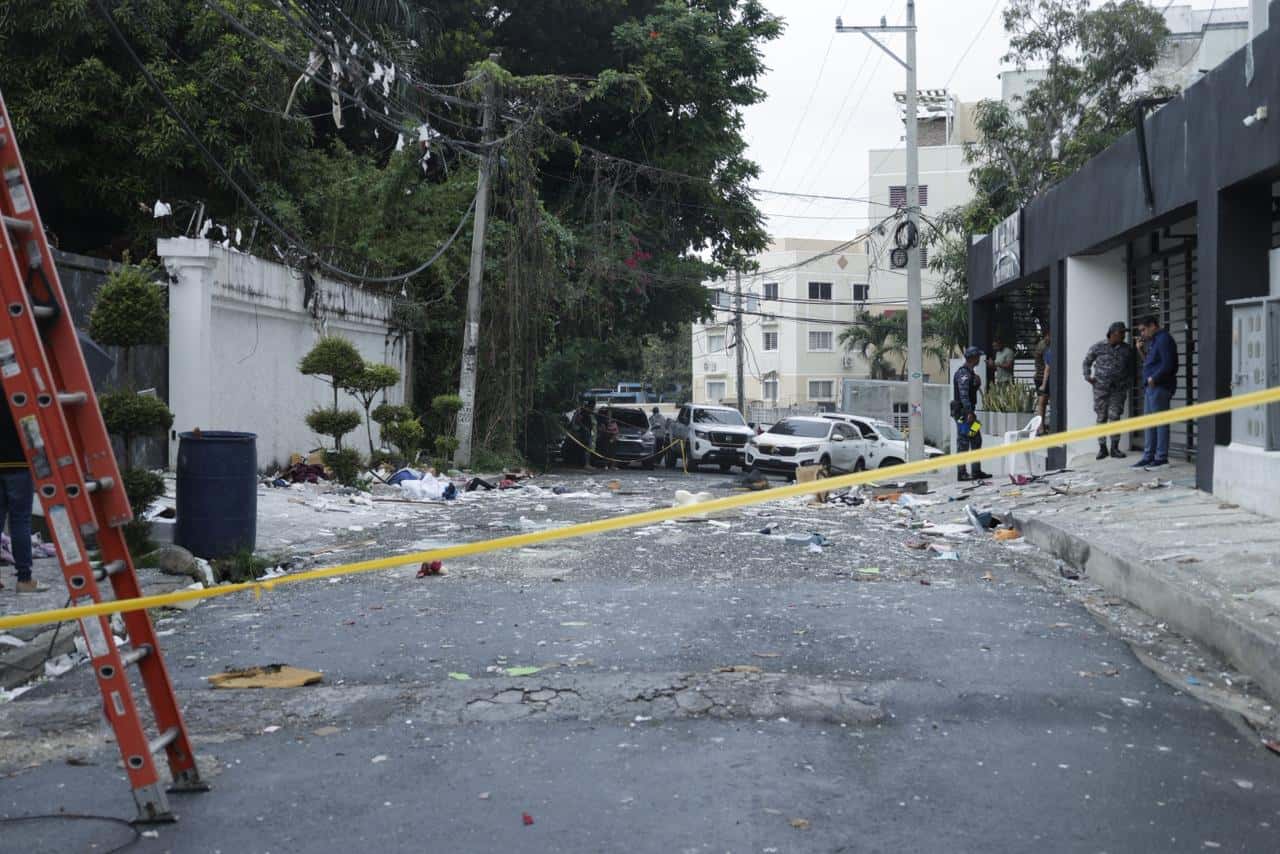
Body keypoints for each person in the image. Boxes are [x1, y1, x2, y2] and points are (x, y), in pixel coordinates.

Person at [0, 402, 39, 592]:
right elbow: (32, 425)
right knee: (20, 522)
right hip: (19, 463)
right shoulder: (18, 385)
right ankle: (24, 579)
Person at [1082, 321, 1136, 460]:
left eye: (1125, 333)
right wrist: (1087, 376)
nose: (1124, 335)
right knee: (1101, 418)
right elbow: (1086, 362)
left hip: (1118, 390)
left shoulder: (1127, 349)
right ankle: (1102, 448)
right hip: (1101, 389)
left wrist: (1128, 383)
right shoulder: (1098, 347)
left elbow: (1133, 368)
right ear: (1112, 333)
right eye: (1121, 333)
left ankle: (1114, 448)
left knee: (1115, 417)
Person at [1133, 315, 1179, 469]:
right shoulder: (1153, 341)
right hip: (1150, 386)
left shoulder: (1164, 339)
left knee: (1160, 423)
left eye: (1144, 330)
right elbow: (1150, 363)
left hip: (1160, 386)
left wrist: (1155, 378)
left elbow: (1168, 364)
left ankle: (1161, 458)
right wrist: (1140, 350)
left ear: (1153, 325)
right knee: (1150, 423)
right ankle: (1148, 456)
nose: (1143, 334)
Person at [952, 346, 993, 482]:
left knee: (976, 440)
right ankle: (961, 473)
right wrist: (969, 412)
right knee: (963, 443)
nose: (980, 359)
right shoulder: (963, 374)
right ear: (973, 358)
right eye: (978, 357)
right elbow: (963, 396)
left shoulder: (970, 373)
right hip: (964, 415)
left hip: (970, 413)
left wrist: (976, 383)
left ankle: (976, 471)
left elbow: (970, 391)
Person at [570, 400, 595, 470]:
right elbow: (578, 421)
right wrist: (585, 428)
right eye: (592, 407)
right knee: (587, 449)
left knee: (587, 449)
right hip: (584, 433)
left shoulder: (588, 413)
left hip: (588, 432)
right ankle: (586, 464)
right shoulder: (583, 412)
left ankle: (585, 463)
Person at [1035, 330, 1052, 433]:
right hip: (1042, 377)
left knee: (1043, 402)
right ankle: (1041, 428)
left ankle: (975, 434)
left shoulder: (1049, 348)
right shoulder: (1043, 347)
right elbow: (1046, 367)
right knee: (1042, 402)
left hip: (1044, 377)